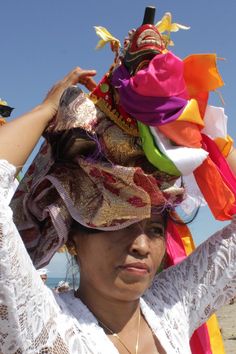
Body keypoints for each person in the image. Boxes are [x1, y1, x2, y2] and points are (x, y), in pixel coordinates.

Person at [1, 7, 236, 354]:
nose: (141, 245)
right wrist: (48, 109)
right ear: (73, 237)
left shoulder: (170, 307)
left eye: (155, 229)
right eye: (116, 221)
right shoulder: (43, 325)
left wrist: (194, 126)